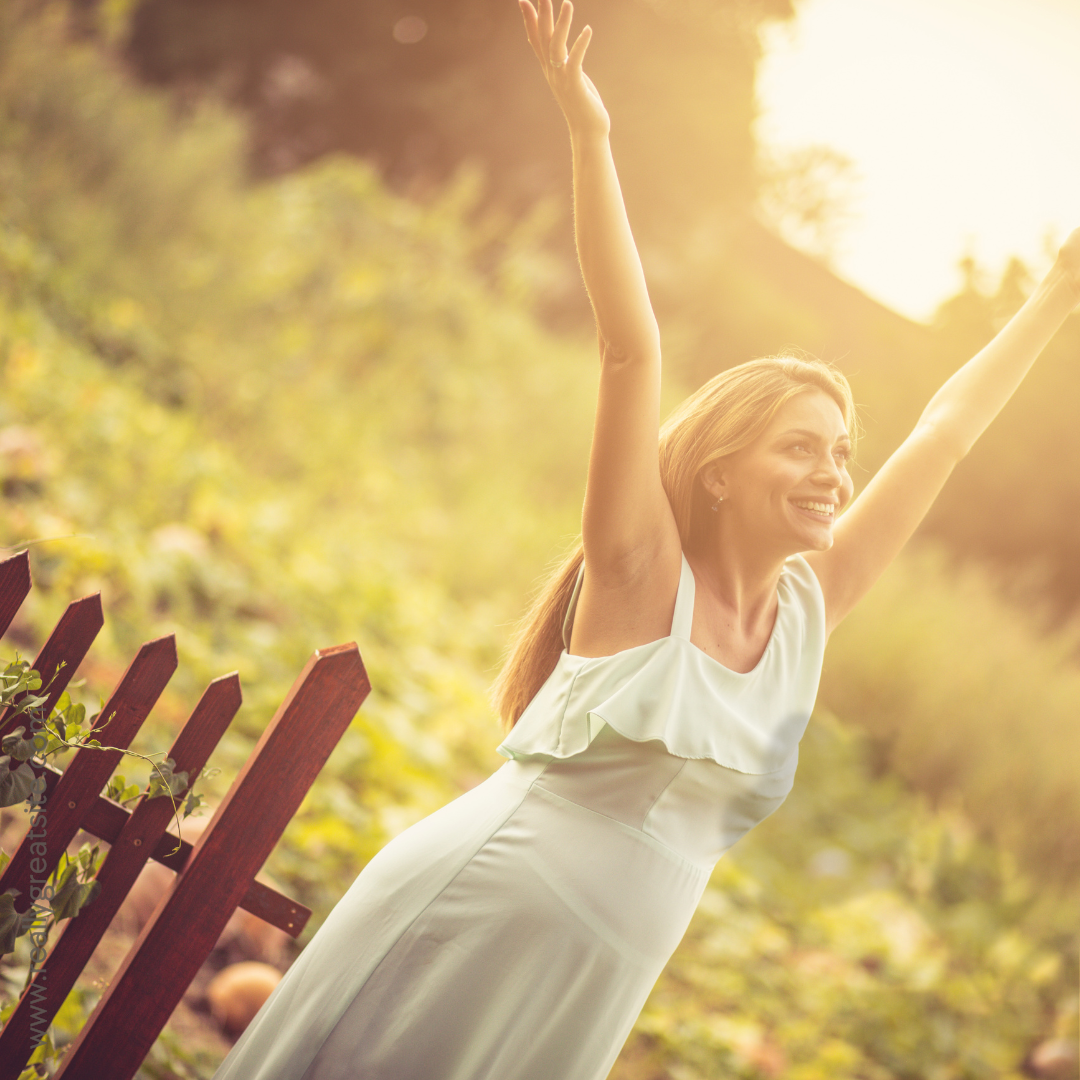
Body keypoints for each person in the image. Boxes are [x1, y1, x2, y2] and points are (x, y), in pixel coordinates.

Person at [213, 3, 1080, 1077]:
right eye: (800, 448)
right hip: (478, 913)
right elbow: (633, 348)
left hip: (594, 979)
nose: (833, 473)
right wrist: (592, 135)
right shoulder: (638, 571)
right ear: (720, 470)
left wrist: (1054, 295)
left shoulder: (812, 609)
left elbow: (943, 438)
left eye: (842, 454)